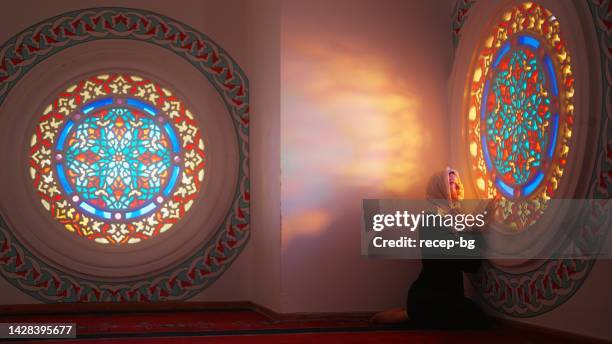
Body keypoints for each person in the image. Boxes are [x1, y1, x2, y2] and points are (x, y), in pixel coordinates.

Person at [371, 168, 490, 329]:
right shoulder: (430, 219)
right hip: (429, 296)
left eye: (458, 183)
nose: (459, 188)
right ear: (440, 188)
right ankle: (410, 313)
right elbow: (462, 259)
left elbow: (471, 265)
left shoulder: (456, 218)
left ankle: (411, 313)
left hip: (449, 295)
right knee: (474, 318)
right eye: (452, 184)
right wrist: (477, 224)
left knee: (475, 318)